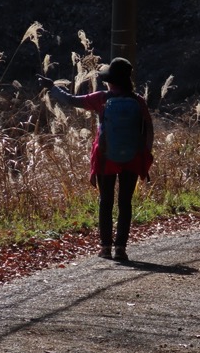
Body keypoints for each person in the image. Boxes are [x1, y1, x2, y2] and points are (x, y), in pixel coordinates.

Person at [38, 57, 154, 262]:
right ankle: (121, 249)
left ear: (110, 81)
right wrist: (145, 153)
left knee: (106, 202)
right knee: (125, 203)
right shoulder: (138, 101)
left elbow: (72, 100)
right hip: (133, 157)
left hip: (105, 156)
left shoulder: (102, 98)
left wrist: (52, 87)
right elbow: (148, 129)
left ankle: (105, 247)